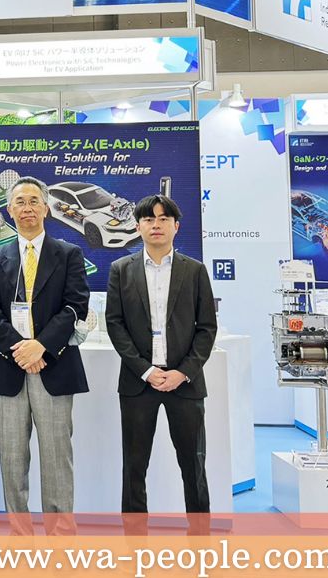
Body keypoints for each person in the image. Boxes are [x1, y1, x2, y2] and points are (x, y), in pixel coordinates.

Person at [0, 176, 90, 533]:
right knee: (12, 458)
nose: (27, 208)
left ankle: (60, 533)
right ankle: (20, 533)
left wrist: (41, 346)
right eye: (20, 202)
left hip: (53, 366)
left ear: (46, 208)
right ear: (9, 210)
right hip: (10, 368)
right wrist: (21, 350)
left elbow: (76, 305)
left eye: (33, 201)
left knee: (57, 457)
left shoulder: (69, 254)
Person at [105, 194, 217, 517]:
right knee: (134, 467)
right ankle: (135, 539)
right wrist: (145, 370)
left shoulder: (194, 271)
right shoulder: (121, 270)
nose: (156, 225)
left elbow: (206, 328)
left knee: (193, 465)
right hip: (138, 383)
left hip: (185, 384)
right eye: (149, 219)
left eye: (164, 219)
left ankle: (200, 537)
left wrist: (183, 372)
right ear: (138, 226)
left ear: (176, 226)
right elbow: (115, 324)